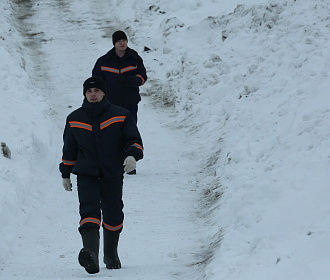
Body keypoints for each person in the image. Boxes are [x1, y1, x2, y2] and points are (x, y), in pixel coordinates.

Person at [59, 76, 144, 274]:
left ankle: (111, 254)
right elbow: (69, 150)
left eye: (96, 91)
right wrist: (65, 173)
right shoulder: (74, 118)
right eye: (89, 92)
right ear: (84, 94)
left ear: (104, 92)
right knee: (89, 212)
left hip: (112, 172)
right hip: (86, 174)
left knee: (113, 212)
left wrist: (132, 155)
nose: (93, 94)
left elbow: (134, 139)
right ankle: (90, 255)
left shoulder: (120, 115)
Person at [92, 30, 147, 124]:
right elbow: (96, 81)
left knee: (130, 132)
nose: (122, 43)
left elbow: (142, 77)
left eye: (124, 40)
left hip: (130, 103)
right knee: (113, 132)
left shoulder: (135, 59)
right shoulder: (104, 61)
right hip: (110, 104)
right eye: (119, 41)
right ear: (114, 43)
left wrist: (132, 81)